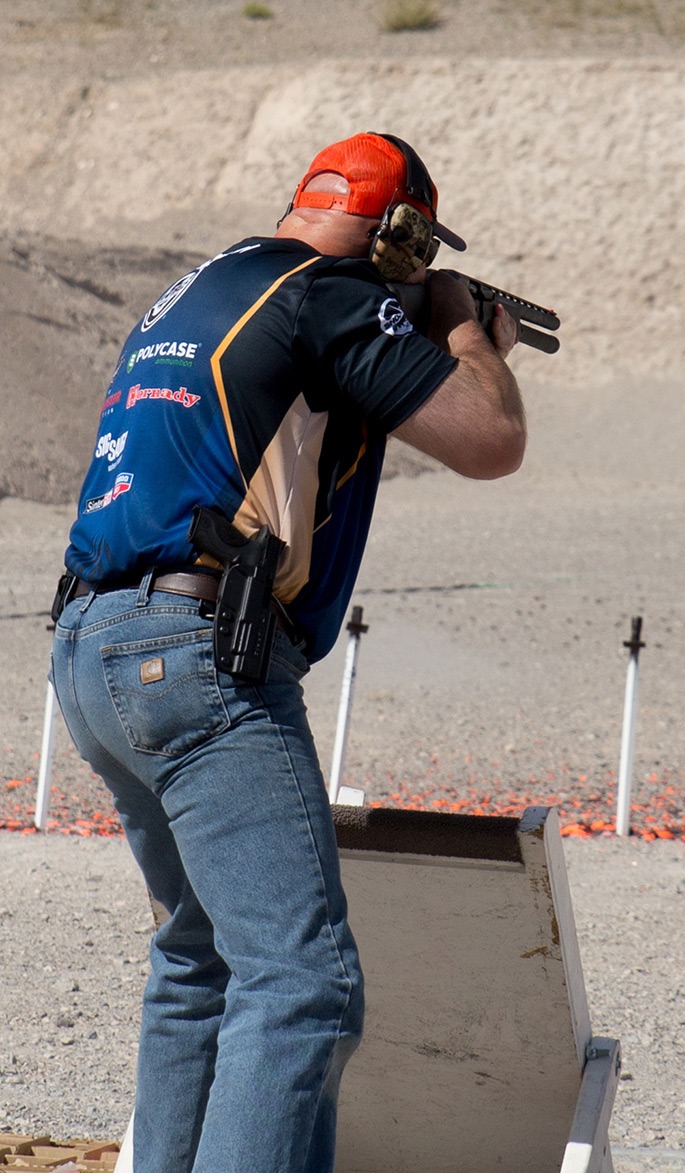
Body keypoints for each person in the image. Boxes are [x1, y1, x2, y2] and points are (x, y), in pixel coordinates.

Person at [47, 132, 526, 1173]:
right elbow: (490, 441)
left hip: (93, 642)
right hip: (198, 655)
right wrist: (465, 333)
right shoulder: (333, 296)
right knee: (303, 986)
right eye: (417, 247)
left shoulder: (195, 291)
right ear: (399, 234)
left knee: (200, 962)